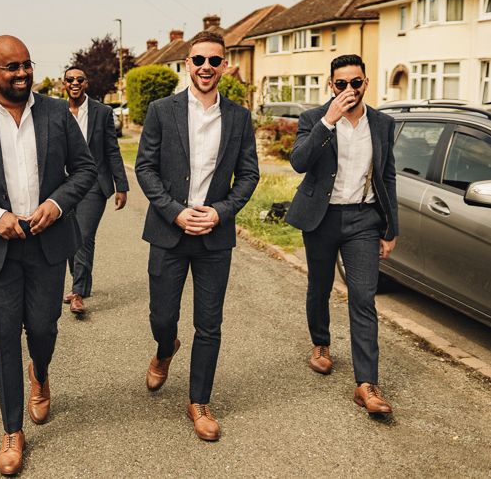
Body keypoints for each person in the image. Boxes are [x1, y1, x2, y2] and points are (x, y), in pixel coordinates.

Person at [0, 35, 96, 476]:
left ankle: (40, 373)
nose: (23, 73)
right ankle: (12, 429)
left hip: (47, 246)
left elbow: (84, 170)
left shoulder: (55, 113)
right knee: (4, 337)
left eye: (27, 65)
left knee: (43, 328)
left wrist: (57, 204)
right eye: (12, 67)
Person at [135, 30, 259, 441]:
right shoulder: (160, 110)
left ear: (224, 66)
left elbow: (249, 175)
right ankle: (165, 348)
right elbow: (145, 169)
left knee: (209, 324)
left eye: (214, 61)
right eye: (199, 60)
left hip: (213, 237)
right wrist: (175, 212)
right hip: (169, 233)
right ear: (187, 64)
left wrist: (221, 213)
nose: (206, 67)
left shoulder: (239, 118)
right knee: (162, 317)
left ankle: (200, 401)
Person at [286, 54, 399, 416]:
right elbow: (298, 162)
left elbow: (388, 176)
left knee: (363, 298)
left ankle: (367, 385)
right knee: (319, 286)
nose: (349, 89)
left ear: (366, 83)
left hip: (364, 220)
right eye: (341, 84)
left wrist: (390, 228)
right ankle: (321, 343)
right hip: (322, 217)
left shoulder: (382, 124)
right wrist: (328, 121)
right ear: (330, 85)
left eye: (356, 83)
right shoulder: (312, 119)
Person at [62, 66, 128, 315]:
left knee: (84, 235)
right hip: (64, 185)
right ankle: (79, 283)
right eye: (70, 80)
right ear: (64, 84)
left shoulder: (102, 112)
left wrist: (121, 185)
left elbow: (112, 149)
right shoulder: (57, 111)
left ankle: (78, 293)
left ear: (86, 83)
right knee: (69, 237)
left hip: (93, 184)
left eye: (80, 79)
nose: (75, 83)